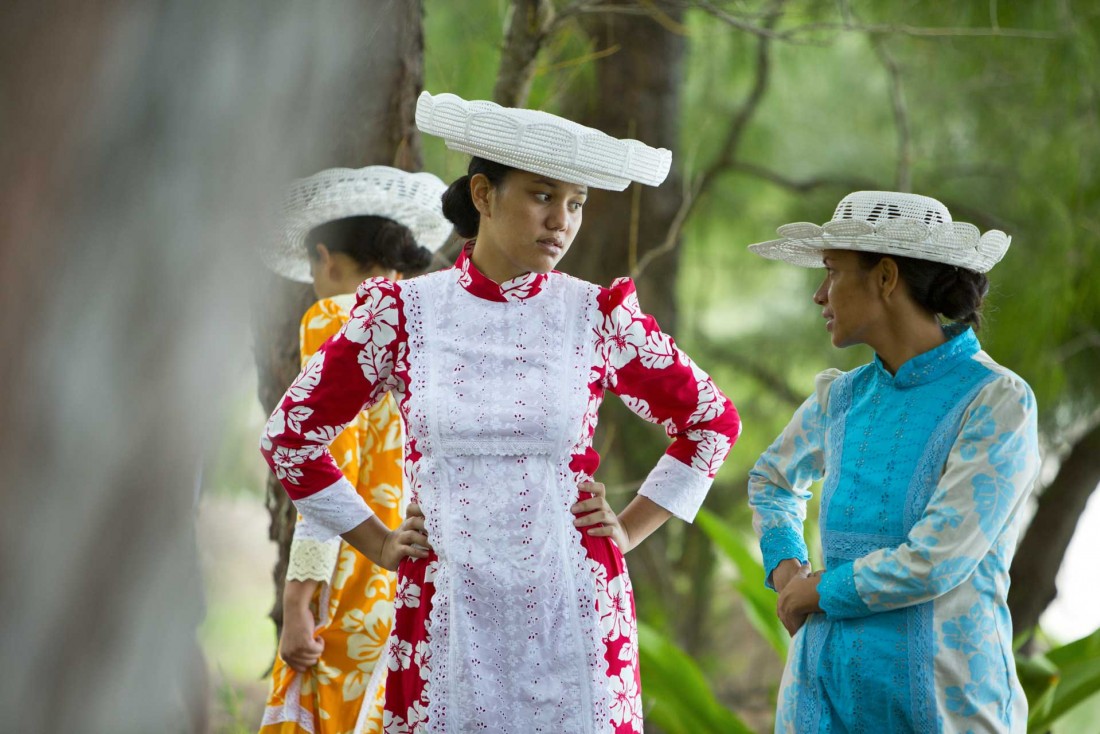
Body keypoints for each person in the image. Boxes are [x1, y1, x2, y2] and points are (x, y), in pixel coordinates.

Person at [260, 91, 742, 733]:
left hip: (574, 608)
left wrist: (627, 529)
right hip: (443, 611)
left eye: (576, 203)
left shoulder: (598, 315)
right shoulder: (401, 314)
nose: (562, 222)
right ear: (483, 195)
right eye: (543, 196)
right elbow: (291, 437)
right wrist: (375, 542)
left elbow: (711, 422)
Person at [745, 191, 1040, 733]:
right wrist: (788, 569)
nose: (819, 294)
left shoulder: (996, 400)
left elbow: (937, 558)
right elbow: (771, 480)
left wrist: (819, 590)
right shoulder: (842, 398)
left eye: (832, 271)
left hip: (945, 704)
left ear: (885, 277)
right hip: (822, 695)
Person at [258, 166, 451, 734]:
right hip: (417, 563)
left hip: (355, 567)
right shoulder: (424, 326)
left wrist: (298, 598)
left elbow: (325, 460)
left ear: (325, 258)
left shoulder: (334, 318)